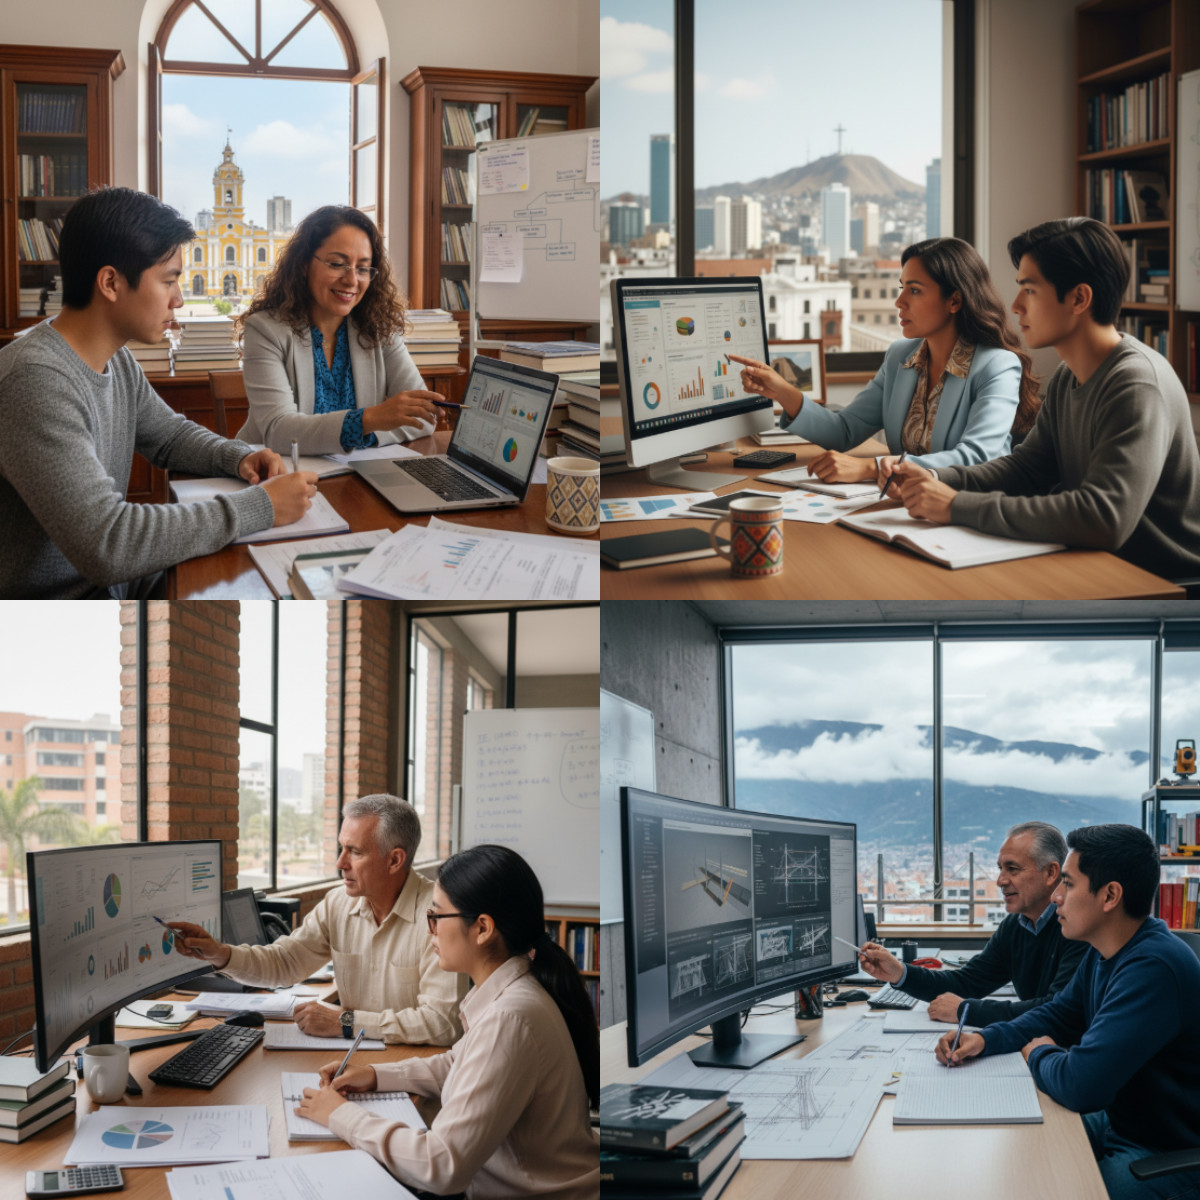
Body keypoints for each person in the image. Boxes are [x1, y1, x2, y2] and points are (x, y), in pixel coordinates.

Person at [0, 186, 317, 599]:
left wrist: (240, 457)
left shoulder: (113, 357)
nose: (180, 300)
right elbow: (108, 544)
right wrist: (261, 507)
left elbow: (169, 436)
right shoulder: (35, 381)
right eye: (169, 280)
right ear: (111, 282)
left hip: (107, 585)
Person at [889, 218, 1200, 582]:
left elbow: (1103, 518)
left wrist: (956, 505)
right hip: (1099, 568)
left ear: (1079, 298)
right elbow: (1027, 470)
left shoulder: (1136, 384)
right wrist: (934, 476)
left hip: (1164, 590)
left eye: (1029, 290)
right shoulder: (1071, 374)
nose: (1016, 305)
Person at [294, 844, 599, 1200]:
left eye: (437, 917)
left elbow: (441, 1167)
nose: (430, 930)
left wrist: (341, 1115)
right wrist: (376, 1075)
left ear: (483, 928)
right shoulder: (513, 991)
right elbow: (458, 1063)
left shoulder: (510, 1017)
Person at [936, 824, 1200, 1200]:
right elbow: (1057, 1015)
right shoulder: (1104, 950)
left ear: (1110, 896)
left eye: (1069, 885)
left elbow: (1081, 1086)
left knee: (1062, 1188)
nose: (1056, 897)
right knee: (1023, 1154)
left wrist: (1038, 1052)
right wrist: (983, 1039)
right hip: (1126, 1121)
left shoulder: (1153, 967)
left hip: (1167, 1149)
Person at [729, 238, 1039, 489]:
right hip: (907, 505)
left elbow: (978, 458)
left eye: (914, 290)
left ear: (954, 301)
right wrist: (783, 391)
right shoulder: (900, 357)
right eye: (901, 287)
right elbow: (844, 430)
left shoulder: (997, 366)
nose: (899, 301)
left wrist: (870, 467)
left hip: (967, 508)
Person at [171, 794, 462, 1046]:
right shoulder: (337, 903)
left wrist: (346, 1022)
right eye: (341, 847)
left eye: (355, 852)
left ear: (395, 860)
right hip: (354, 1062)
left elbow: (442, 1024)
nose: (340, 863)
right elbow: (284, 962)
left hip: (413, 1069)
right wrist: (220, 954)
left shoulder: (441, 914)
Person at [235, 204, 441, 456]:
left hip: (353, 479)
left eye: (363, 268)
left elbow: (423, 418)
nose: (352, 280)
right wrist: (369, 420)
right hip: (277, 476)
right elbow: (279, 432)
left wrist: (364, 431)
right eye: (337, 264)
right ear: (303, 264)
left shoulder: (379, 327)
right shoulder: (266, 329)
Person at [858, 821, 1086, 1025]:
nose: (1000, 881)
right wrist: (899, 973)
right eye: (1000, 869)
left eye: (1013, 869)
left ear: (1050, 872)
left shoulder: (1079, 928)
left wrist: (965, 1011)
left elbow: (1058, 1011)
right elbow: (966, 983)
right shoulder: (1016, 926)